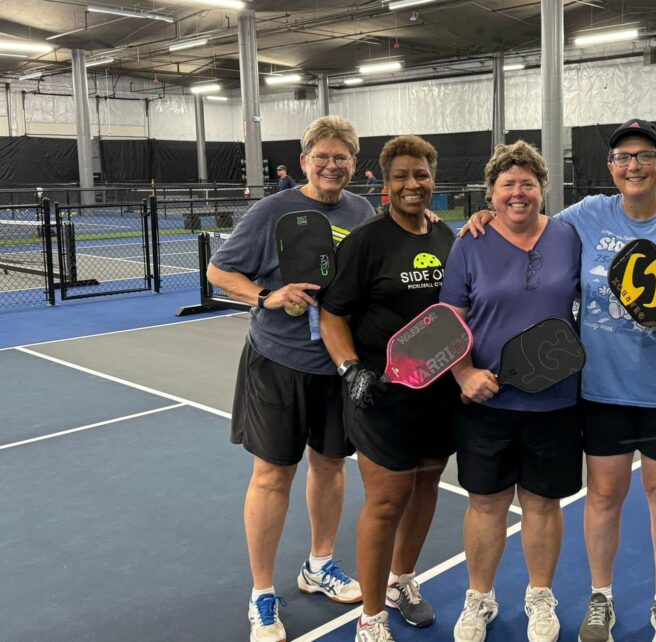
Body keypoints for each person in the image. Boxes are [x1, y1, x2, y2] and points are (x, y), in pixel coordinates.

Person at [462, 119, 656, 642]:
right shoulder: (584, 217)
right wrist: (486, 216)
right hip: (601, 387)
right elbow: (525, 221)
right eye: (624, 157)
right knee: (604, 497)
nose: (634, 165)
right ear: (611, 168)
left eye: (645, 155)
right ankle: (600, 598)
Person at [208, 115, 373, 642]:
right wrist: (265, 296)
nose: (331, 165)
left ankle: (318, 564)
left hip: (336, 365)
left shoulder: (362, 210)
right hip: (278, 363)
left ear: (354, 164)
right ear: (304, 162)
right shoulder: (271, 210)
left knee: (330, 468)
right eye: (321, 156)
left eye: (341, 157)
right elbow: (218, 270)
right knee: (273, 475)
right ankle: (261, 594)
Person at [440, 141, 583, 642]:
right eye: (507, 185)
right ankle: (479, 599)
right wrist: (462, 376)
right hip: (487, 402)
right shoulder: (469, 243)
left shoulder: (569, 236)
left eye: (527, 184)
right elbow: (450, 320)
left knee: (543, 504)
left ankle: (540, 597)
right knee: (486, 504)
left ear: (543, 189)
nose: (518, 193)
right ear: (491, 193)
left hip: (557, 400)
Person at [319, 134, 457, 642]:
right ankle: (371, 617)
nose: (412, 184)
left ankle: (402, 582)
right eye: (401, 175)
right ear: (384, 183)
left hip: (438, 393)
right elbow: (332, 313)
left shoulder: (450, 238)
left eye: (420, 174)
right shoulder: (365, 243)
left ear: (432, 178)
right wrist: (350, 369)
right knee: (386, 500)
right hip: (379, 393)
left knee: (426, 487)